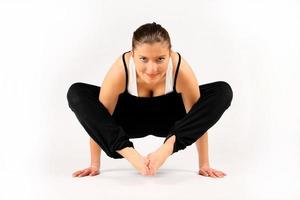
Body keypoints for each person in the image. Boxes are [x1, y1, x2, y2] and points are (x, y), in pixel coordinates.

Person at [67, 22, 233, 177]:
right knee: (77, 92)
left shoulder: (179, 68)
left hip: (171, 124)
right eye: (143, 59)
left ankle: (168, 147)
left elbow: (197, 118)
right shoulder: (121, 69)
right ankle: (127, 152)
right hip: (127, 122)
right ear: (133, 55)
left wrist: (204, 164)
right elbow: (99, 119)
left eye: (160, 59)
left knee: (222, 91)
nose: (152, 68)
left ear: (170, 54)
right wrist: (95, 165)